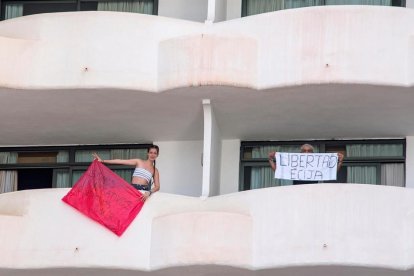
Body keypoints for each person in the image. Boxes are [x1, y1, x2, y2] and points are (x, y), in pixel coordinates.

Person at [92, 145, 160, 201]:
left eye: (155, 153)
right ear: (148, 153)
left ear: (157, 155)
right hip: (133, 189)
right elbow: (120, 161)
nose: (152, 155)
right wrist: (103, 161)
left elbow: (157, 186)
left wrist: (149, 192)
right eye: (151, 152)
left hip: (143, 192)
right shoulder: (139, 161)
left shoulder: (155, 170)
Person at [268, 144, 344, 185]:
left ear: (312, 153)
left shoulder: (317, 162)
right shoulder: (295, 162)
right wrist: (271, 160)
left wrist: (340, 162)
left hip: (312, 192)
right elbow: (279, 172)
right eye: (304, 151)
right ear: (300, 153)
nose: (306, 152)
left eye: (309, 151)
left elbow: (331, 172)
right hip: (297, 191)